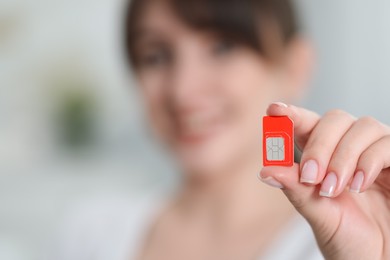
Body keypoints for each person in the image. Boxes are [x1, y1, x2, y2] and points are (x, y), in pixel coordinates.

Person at [52, 0, 390, 259]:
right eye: (156, 56)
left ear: (295, 66)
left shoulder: (351, 236)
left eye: (223, 47)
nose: (183, 90)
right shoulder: (92, 234)